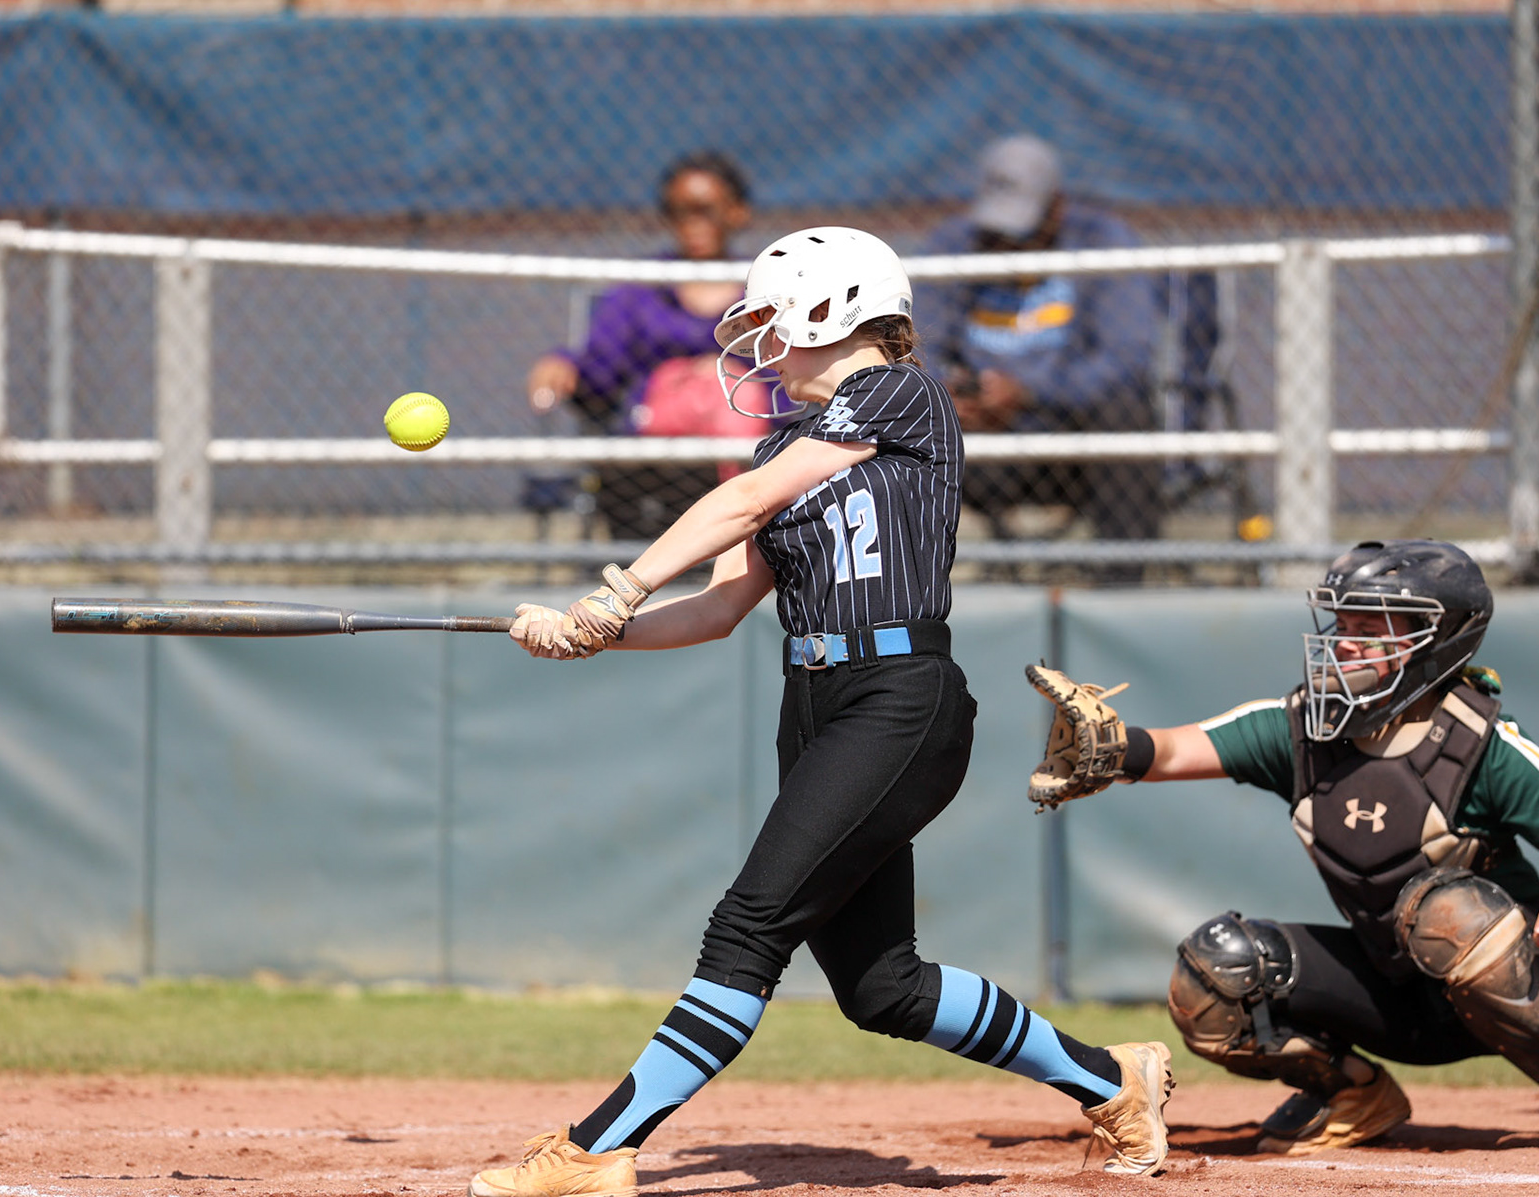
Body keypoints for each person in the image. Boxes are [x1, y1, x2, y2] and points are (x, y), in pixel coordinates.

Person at [470, 227, 1174, 1197]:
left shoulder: (897, 391)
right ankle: (1112, 1077)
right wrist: (586, 634)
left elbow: (753, 498)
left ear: (831, 310)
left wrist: (621, 585)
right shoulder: (779, 440)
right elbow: (720, 609)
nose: (760, 341)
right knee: (884, 988)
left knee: (748, 924)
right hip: (816, 704)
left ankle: (597, 1148)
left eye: (773, 319)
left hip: (899, 698)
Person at [1025, 539, 1539, 1154]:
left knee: (1447, 909)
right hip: (1394, 994)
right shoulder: (1304, 729)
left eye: (1369, 628)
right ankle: (1352, 1093)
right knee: (1217, 970)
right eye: (1341, 623)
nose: (1343, 641)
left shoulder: (1485, 744)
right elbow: (1178, 749)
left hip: (1515, 991)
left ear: (1435, 643)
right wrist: (1111, 749)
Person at [917, 134, 1162, 575]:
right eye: (998, 232)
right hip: (975, 442)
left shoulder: (1102, 240)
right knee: (893, 407)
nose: (1008, 244)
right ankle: (901, 596)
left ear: (1056, 208)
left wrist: (1029, 393)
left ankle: (1124, 586)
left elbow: (1126, 360)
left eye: (1022, 229)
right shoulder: (954, 242)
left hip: (1068, 441)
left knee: (1127, 410)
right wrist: (948, 396)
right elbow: (917, 343)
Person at [525, 151, 772, 538]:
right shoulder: (639, 289)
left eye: (705, 209)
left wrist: (718, 387)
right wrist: (563, 364)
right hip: (652, 455)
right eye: (677, 211)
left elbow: (787, 384)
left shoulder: (768, 290)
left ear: (737, 212)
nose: (692, 222)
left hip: (750, 454)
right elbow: (599, 374)